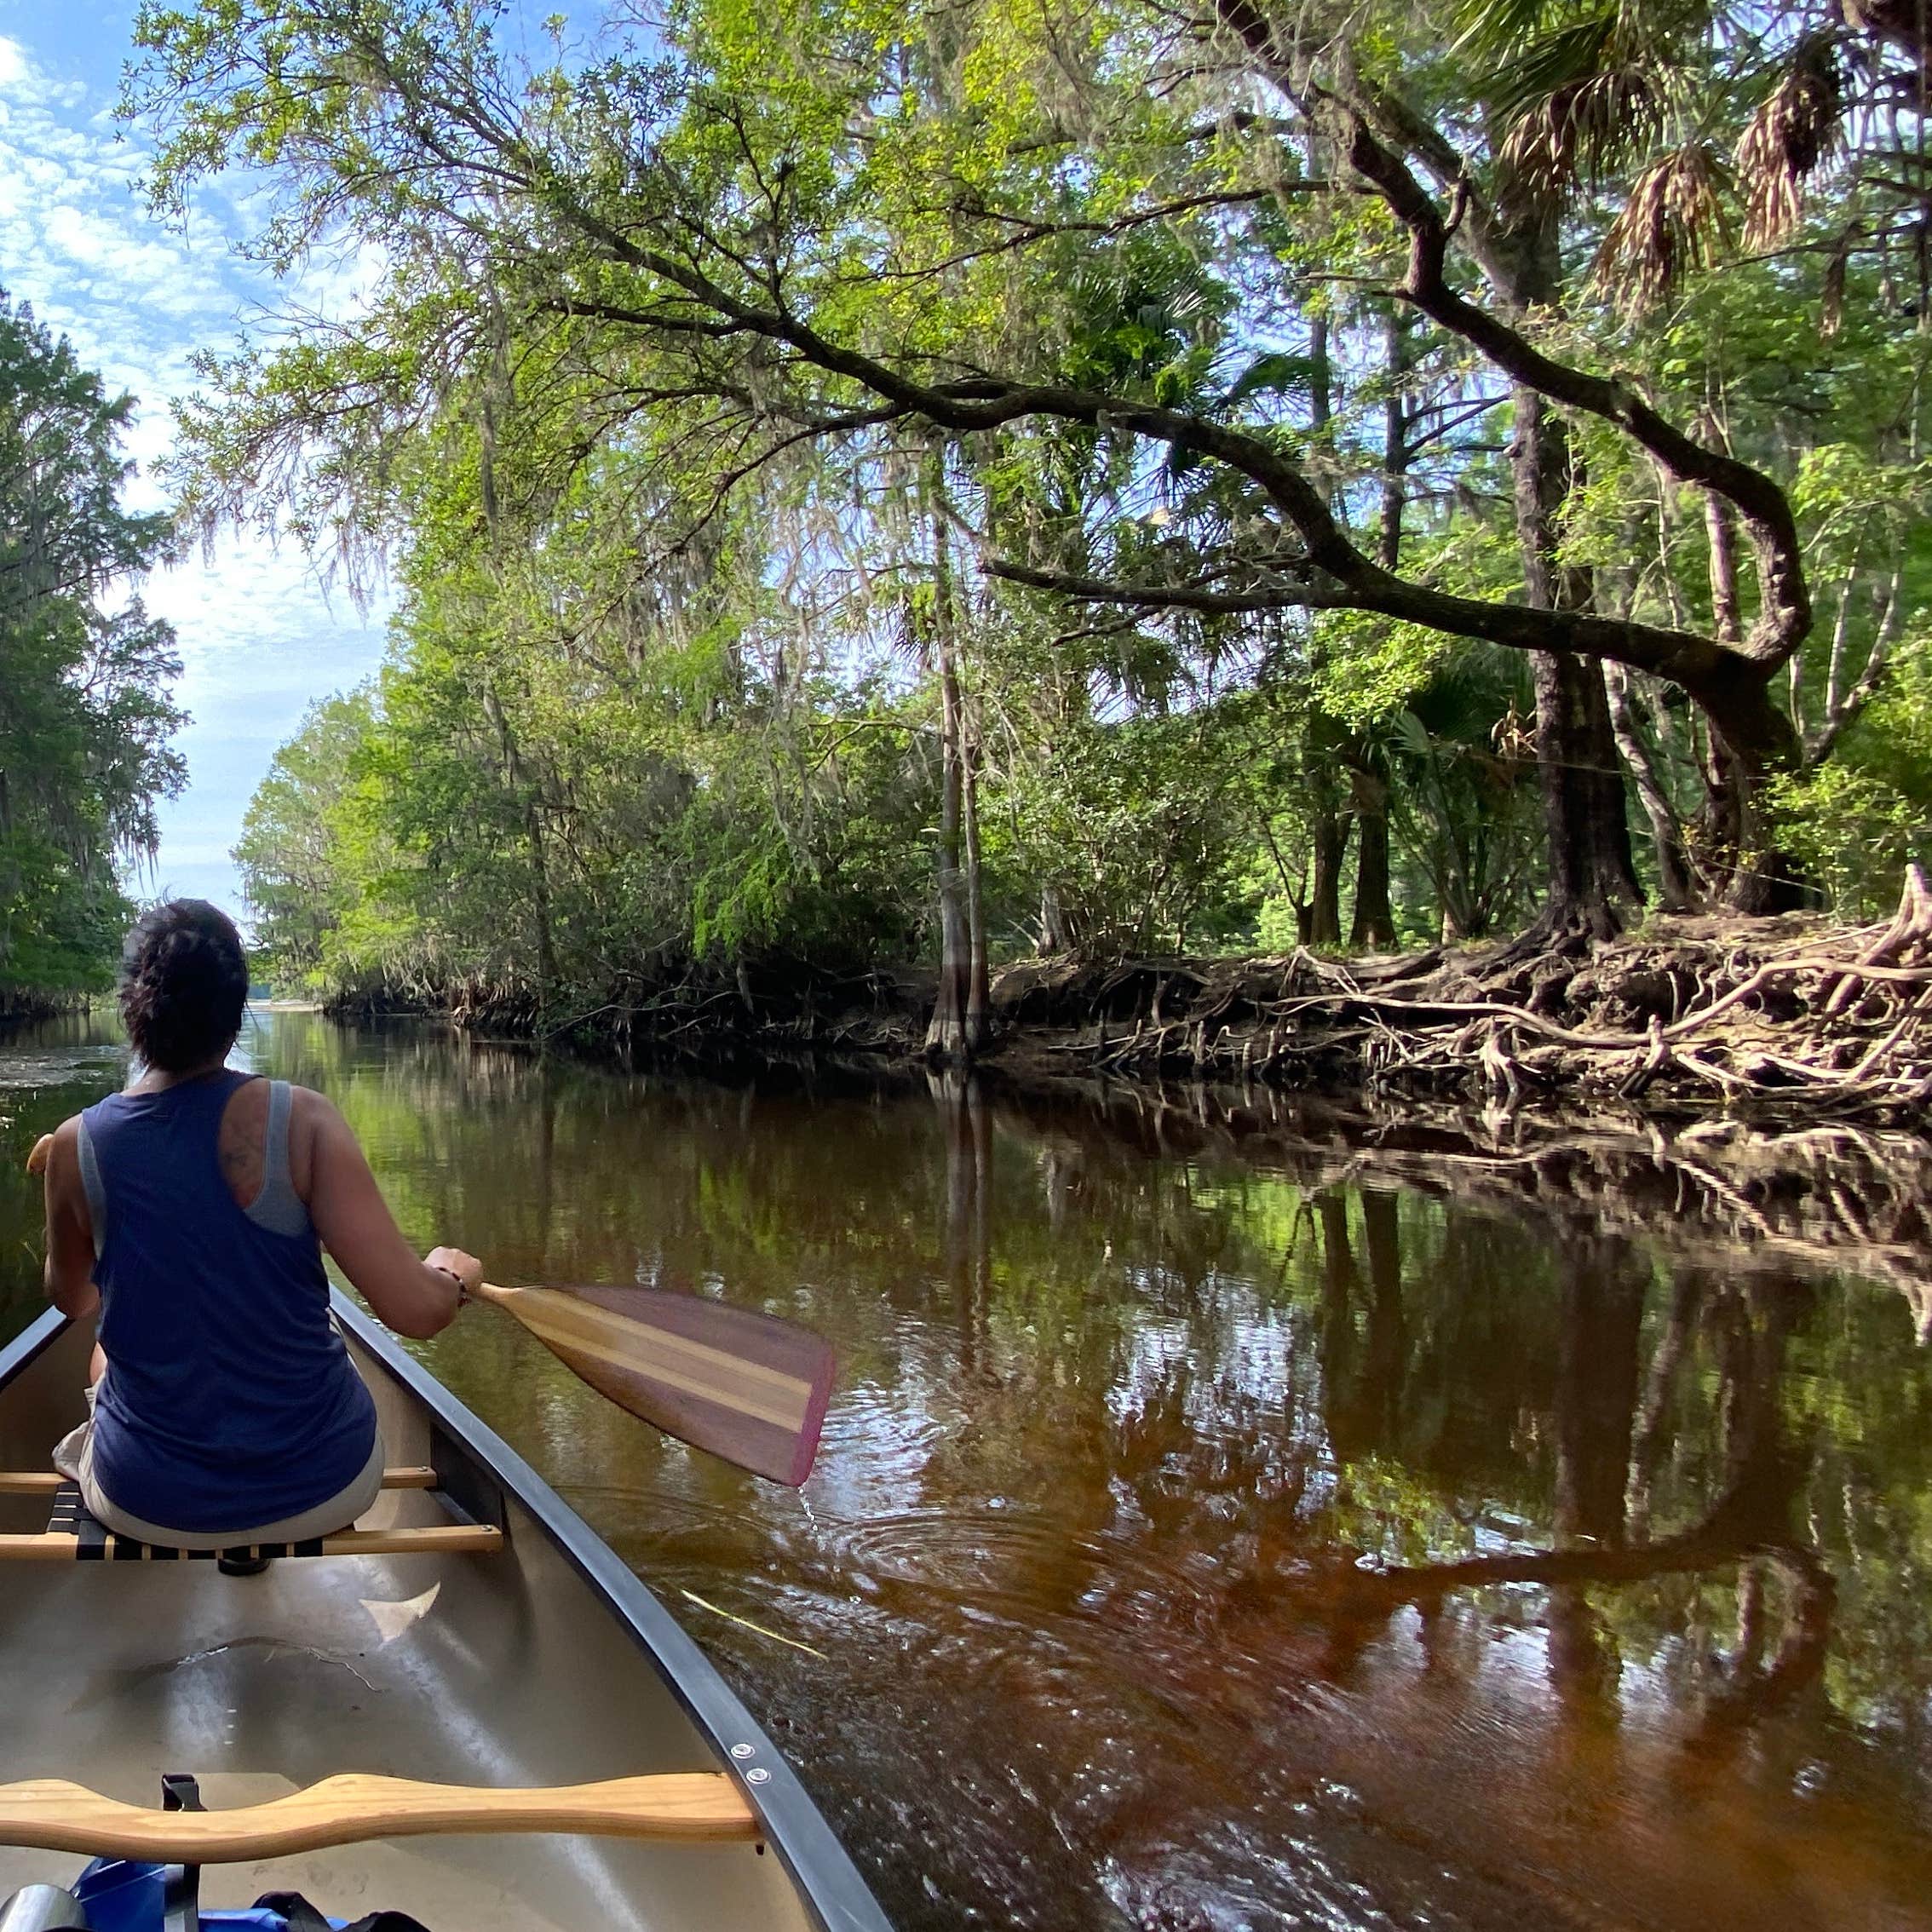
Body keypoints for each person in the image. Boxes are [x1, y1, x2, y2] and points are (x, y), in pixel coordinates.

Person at [37, 898, 481, 1553]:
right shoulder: (305, 1120)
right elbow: (418, 1312)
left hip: (149, 1501)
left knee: (106, 1348)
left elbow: (72, 1298)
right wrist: (452, 1273)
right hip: (323, 1486)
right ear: (235, 1009)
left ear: (134, 1010)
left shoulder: (76, 1146)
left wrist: (104, 1218)